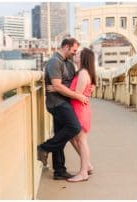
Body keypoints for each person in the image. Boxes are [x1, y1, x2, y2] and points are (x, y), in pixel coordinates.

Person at [37, 38, 89, 180]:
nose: (74, 53)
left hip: (65, 101)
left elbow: (68, 83)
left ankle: (59, 170)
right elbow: (58, 85)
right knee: (74, 128)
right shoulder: (54, 62)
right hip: (57, 103)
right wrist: (76, 95)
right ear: (66, 47)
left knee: (60, 133)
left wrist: (60, 87)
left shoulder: (69, 65)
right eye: (73, 50)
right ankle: (44, 148)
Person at [66, 47, 96, 182]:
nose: (75, 54)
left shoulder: (83, 73)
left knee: (81, 141)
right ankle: (87, 165)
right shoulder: (82, 72)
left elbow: (76, 94)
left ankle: (83, 172)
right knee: (73, 138)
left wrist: (57, 88)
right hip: (79, 109)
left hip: (80, 110)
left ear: (83, 58)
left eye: (78, 54)